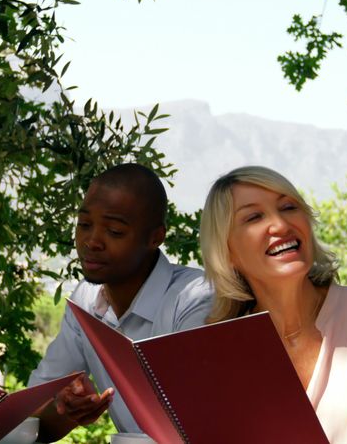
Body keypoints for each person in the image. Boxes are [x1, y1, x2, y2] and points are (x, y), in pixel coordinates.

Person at [201, 165, 347, 444]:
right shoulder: (220, 352)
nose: (281, 225)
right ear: (227, 252)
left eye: (289, 207)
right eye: (254, 217)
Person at [29, 163, 213, 442]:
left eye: (114, 231)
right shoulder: (86, 302)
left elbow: (198, 426)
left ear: (155, 238)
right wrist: (67, 409)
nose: (91, 241)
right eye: (84, 225)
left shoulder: (195, 298)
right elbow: (32, 419)